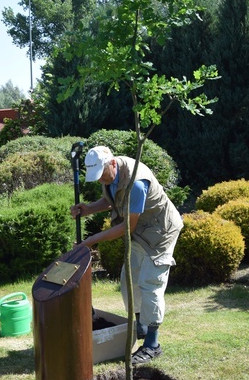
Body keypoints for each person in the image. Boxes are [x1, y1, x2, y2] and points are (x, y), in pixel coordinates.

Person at [70, 146, 183, 365]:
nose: (102, 180)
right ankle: (140, 326)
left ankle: (152, 344)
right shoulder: (112, 174)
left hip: (160, 232)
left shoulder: (137, 183)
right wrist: (88, 209)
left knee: (150, 284)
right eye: (98, 178)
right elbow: (113, 198)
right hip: (141, 233)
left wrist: (91, 241)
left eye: (103, 175)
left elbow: (126, 227)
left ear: (112, 163)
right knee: (128, 281)